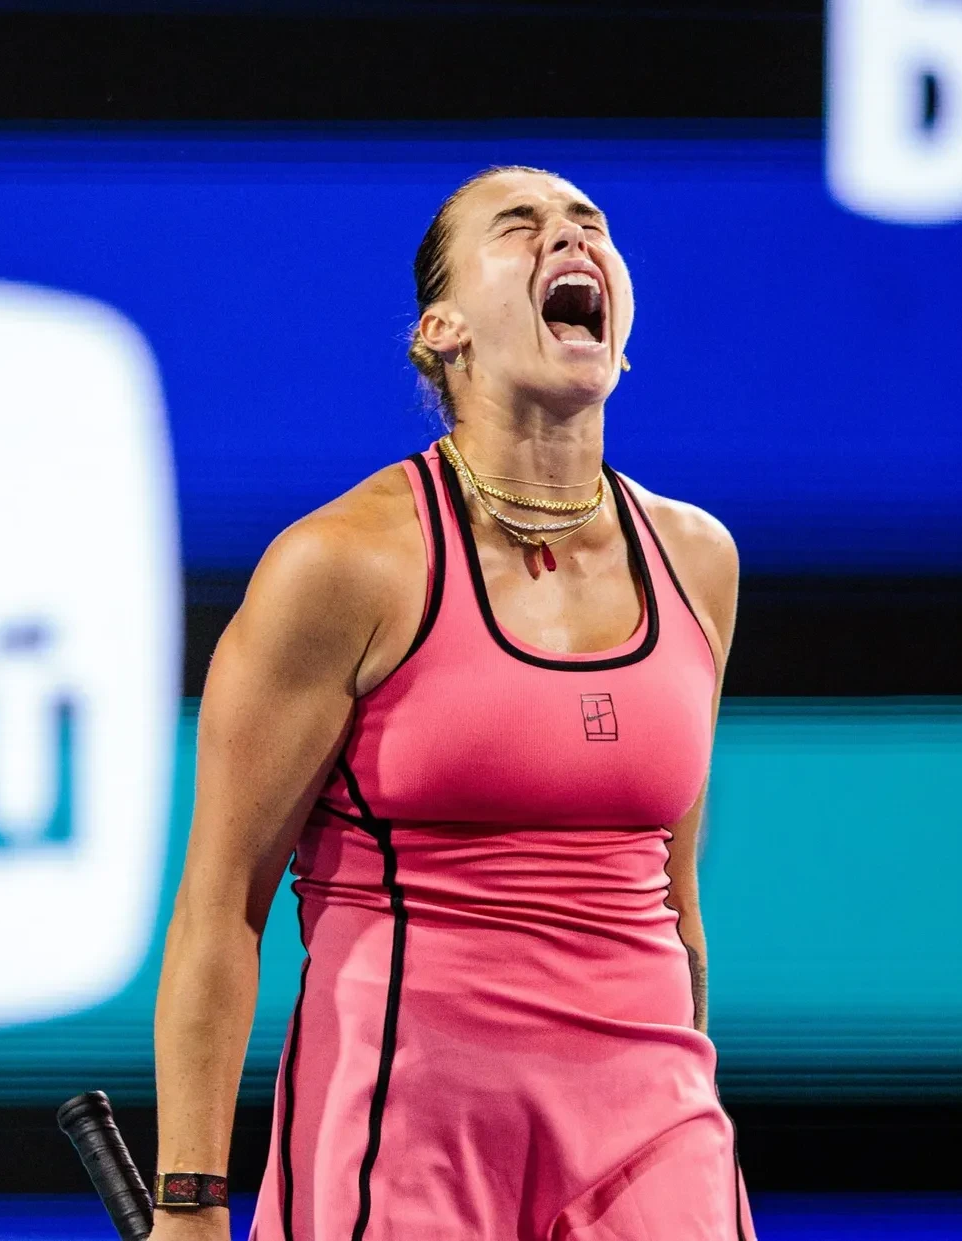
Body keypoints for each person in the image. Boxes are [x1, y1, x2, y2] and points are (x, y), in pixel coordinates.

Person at [148, 165, 756, 1241]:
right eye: (520, 227)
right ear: (442, 330)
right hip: (408, 1135)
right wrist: (188, 1204)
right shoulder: (341, 565)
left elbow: (673, 899)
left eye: (589, 224)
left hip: (654, 1137)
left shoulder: (698, 560)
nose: (569, 239)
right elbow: (220, 907)